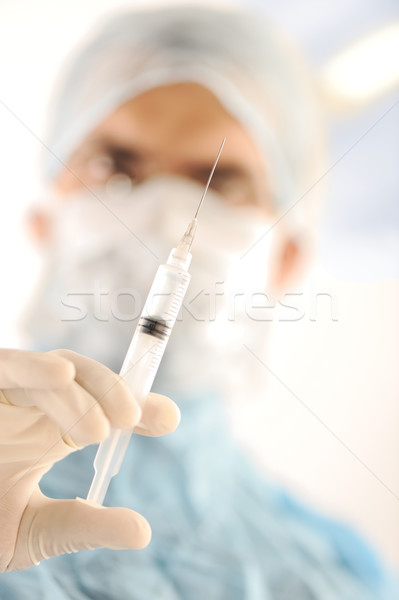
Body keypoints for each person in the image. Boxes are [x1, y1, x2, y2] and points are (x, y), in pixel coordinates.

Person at [0, 4, 397, 598]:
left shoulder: (337, 571)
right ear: (44, 222)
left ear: (285, 257)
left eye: (221, 182)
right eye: (115, 165)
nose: (164, 215)